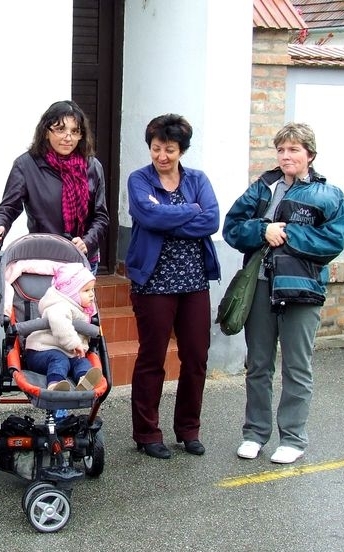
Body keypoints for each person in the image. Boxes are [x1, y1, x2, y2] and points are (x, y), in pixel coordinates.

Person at [223, 122, 344, 464]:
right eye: (281, 150)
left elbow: (333, 241)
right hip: (261, 286)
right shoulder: (262, 187)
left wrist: (288, 234)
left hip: (302, 290)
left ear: (310, 154)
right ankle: (254, 434)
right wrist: (263, 230)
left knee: (297, 366)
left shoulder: (328, 194)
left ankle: (293, 438)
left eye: (293, 149)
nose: (286, 156)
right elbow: (232, 228)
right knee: (258, 364)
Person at [125, 114, 221, 459]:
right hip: (153, 283)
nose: (161, 156)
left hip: (194, 282)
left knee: (196, 356)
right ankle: (147, 433)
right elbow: (147, 216)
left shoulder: (197, 179)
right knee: (152, 357)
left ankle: (189, 429)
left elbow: (212, 220)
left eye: (169, 149)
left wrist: (167, 218)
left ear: (181, 150)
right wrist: (190, 211)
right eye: (156, 148)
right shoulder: (139, 180)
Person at [0, 100, 109, 273]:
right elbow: (8, 208)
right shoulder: (26, 165)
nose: (68, 137)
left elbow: (101, 217)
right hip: (44, 260)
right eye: (60, 129)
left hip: (83, 261)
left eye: (75, 131)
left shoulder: (92, 167)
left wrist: (87, 242)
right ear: (45, 132)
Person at [24, 262, 103, 394]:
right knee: (59, 360)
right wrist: (74, 343)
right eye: (86, 290)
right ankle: (54, 385)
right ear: (71, 293)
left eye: (92, 290)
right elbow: (59, 321)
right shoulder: (59, 306)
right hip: (41, 350)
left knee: (82, 362)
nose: (91, 295)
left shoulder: (80, 308)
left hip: (68, 353)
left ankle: (84, 380)